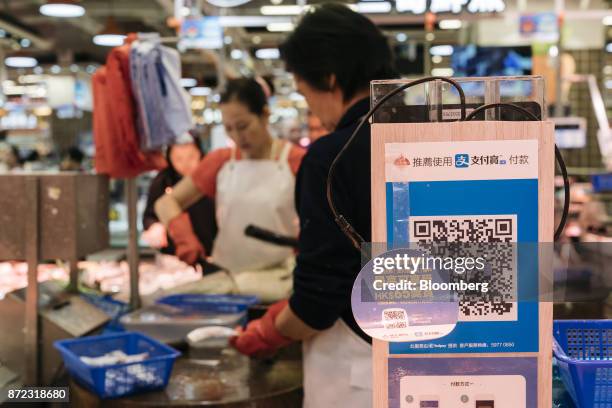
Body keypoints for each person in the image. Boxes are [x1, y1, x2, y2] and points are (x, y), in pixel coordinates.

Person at [230, 4, 396, 407]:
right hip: (444, 364)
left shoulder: (331, 157)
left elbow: (317, 302)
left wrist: (268, 332)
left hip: (359, 376)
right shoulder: (429, 140)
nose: (310, 108)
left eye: (305, 92)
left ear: (330, 78)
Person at [154, 78, 306, 301]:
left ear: (265, 115)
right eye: (229, 129)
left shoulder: (295, 161)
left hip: (281, 283)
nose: (237, 136)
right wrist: (183, 235)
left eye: (243, 126)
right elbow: (166, 203)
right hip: (228, 280)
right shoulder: (221, 162)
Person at [142, 135, 217, 257]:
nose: (185, 164)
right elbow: (150, 215)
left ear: (200, 153)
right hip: (175, 255)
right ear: (169, 158)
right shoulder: (162, 180)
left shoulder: (212, 177)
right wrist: (154, 227)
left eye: (191, 157)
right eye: (178, 159)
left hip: (213, 252)